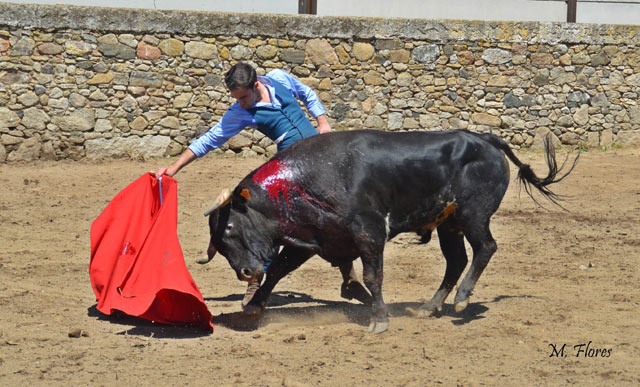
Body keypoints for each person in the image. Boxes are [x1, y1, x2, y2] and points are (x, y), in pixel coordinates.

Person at [156, 62, 361, 307]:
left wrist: (323, 122)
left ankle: (349, 279)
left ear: (256, 85)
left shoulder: (278, 78)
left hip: (323, 161)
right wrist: (174, 168)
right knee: (273, 221)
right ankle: (256, 278)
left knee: (335, 216)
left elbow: (306, 93)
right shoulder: (239, 112)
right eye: (236, 98)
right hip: (289, 169)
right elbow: (210, 139)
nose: (241, 103)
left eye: (243, 96)